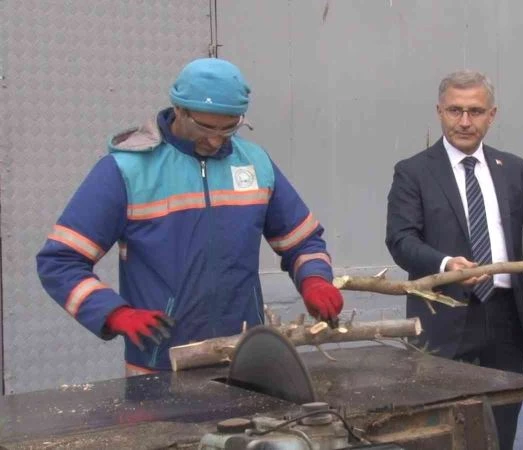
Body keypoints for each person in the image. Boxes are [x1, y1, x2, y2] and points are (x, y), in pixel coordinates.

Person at [36, 58, 344, 376]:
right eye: (205, 127)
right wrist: (113, 313)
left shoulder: (255, 164)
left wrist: (315, 280)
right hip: (160, 366)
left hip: (243, 359)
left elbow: (302, 240)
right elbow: (60, 262)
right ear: (179, 110)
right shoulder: (126, 171)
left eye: (229, 128)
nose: (215, 139)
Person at [385, 69, 523, 450]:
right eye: (455, 111)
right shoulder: (413, 172)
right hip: (441, 319)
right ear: (439, 111)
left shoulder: (512, 168)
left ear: (492, 115)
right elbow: (401, 240)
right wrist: (444, 266)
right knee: (436, 434)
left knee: (500, 430)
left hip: (504, 321)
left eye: (475, 111)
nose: (465, 122)